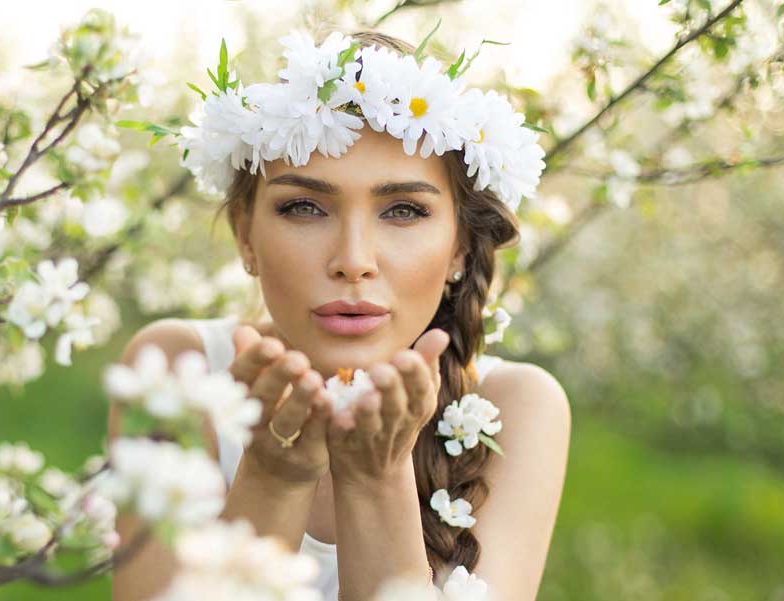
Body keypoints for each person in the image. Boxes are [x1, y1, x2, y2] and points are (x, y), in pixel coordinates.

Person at [108, 29, 571, 601]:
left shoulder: (519, 407)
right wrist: (274, 477)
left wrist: (376, 477)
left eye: (403, 210)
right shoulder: (179, 372)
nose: (353, 261)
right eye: (304, 207)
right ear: (245, 235)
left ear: (458, 248)